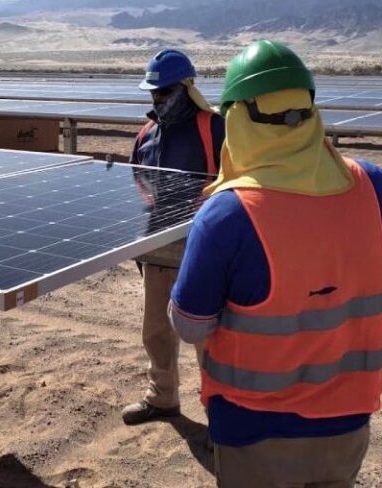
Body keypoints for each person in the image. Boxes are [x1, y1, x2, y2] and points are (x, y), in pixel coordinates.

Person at [169, 40, 382, 487]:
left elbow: (190, 326)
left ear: (238, 120)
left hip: (255, 432)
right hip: (348, 423)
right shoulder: (373, 187)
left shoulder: (227, 215)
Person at [122, 48, 225, 425]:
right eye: (154, 93)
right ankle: (162, 396)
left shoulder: (215, 128)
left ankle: (219, 412)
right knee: (156, 328)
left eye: (165, 92)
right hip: (158, 245)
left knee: (206, 335)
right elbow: (139, 182)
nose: (158, 99)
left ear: (186, 88)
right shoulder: (147, 134)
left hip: (204, 246)